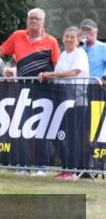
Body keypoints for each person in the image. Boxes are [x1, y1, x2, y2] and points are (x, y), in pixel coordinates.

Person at [0, 8, 60, 173]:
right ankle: (24, 166)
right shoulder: (17, 36)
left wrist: (54, 79)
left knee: (40, 128)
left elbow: (58, 65)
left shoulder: (51, 41)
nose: (33, 21)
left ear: (43, 22)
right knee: (22, 127)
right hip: (23, 90)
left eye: (36, 19)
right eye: (30, 18)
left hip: (44, 90)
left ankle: (41, 166)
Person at [39, 26, 89, 180]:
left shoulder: (80, 53)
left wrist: (51, 74)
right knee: (57, 134)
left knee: (70, 135)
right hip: (62, 99)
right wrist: (45, 76)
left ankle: (72, 170)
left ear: (79, 40)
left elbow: (74, 72)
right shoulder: (62, 55)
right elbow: (58, 75)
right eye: (66, 36)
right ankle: (66, 168)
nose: (68, 39)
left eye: (72, 37)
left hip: (77, 101)